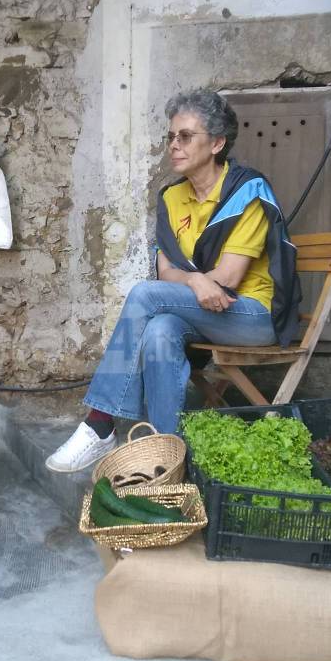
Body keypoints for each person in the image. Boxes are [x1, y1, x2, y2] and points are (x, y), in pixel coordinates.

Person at [45, 88, 301, 473]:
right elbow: (168, 271)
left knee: (146, 296)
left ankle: (99, 423)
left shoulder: (248, 191)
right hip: (202, 308)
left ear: (216, 143)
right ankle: (165, 458)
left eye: (185, 137)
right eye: (171, 137)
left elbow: (230, 277)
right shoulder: (171, 198)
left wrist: (195, 280)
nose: (174, 146)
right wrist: (197, 282)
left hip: (251, 315)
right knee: (160, 328)